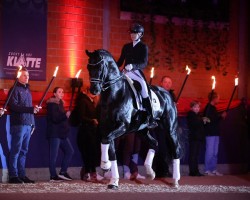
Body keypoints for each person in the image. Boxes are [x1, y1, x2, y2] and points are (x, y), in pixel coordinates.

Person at [116, 23, 157, 129]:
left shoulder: (143, 47)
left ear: (140, 34)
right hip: (125, 72)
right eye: (132, 33)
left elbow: (144, 63)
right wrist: (113, 68)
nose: (133, 35)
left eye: (135, 33)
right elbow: (120, 61)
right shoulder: (126, 46)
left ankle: (150, 116)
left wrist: (133, 66)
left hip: (136, 72)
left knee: (143, 88)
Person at [8, 67, 41, 184]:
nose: (27, 77)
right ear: (18, 76)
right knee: (16, 150)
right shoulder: (14, 89)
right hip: (18, 123)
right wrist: (31, 110)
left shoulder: (28, 90)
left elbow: (29, 108)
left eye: (27, 75)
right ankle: (13, 175)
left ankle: (22, 175)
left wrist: (33, 123)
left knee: (24, 151)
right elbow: (13, 107)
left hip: (28, 124)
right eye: (24, 75)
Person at [74, 87, 103, 183]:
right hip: (85, 131)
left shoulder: (93, 102)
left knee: (93, 153)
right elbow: (80, 117)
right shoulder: (83, 101)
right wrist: (92, 120)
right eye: (92, 91)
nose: (94, 93)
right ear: (87, 92)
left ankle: (93, 172)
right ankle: (87, 173)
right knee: (87, 153)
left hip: (92, 131)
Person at [46, 87, 74, 181]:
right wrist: (65, 115)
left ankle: (63, 172)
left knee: (70, 151)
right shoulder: (51, 104)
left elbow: (61, 118)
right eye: (59, 92)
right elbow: (55, 118)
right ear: (54, 94)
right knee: (53, 155)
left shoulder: (61, 103)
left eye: (62, 92)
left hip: (61, 133)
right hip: (54, 133)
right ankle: (53, 176)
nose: (62, 93)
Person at [151, 76, 176, 178]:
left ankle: (165, 169)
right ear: (161, 83)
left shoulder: (172, 95)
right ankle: (158, 170)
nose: (167, 84)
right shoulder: (158, 93)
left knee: (169, 149)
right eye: (165, 82)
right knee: (160, 148)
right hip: (159, 126)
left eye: (169, 82)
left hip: (169, 127)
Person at [203, 91, 227, 176]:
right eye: (218, 98)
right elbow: (208, 120)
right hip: (210, 133)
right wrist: (220, 116)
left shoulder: (214, 108)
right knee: (210, 152)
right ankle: (207, 169)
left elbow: (215, 120)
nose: (219, 99)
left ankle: (213, 169)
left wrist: (221, 116)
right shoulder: (208, 107)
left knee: (215, 152)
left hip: (216, 133)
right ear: (214, 98)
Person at [187, 100, 209, 176]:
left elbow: (200, 125)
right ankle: (192, 172)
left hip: (198, 138)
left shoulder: (198, 116)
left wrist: (204, 121)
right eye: (195, 107)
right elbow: (194, 124)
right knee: (193, 155)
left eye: (198, 107)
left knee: (196, 155)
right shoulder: (190, 114)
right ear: (192, 108)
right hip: (194, 138)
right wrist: (202, 120)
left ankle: (196, 171)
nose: (197, 108)